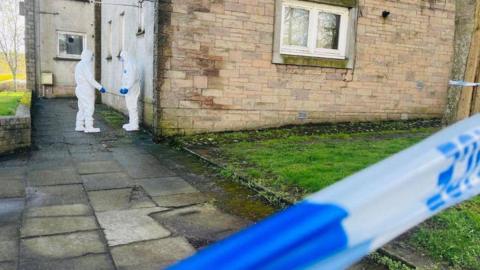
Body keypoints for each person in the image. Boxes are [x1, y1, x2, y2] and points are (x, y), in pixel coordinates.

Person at [74, 49, 106, 133]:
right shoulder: (85, 65)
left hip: (80, 89)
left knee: (82, 108)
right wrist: (100, 87)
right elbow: (90, 79)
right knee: (89, 107)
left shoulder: (79, 64)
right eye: (92, 56)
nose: (92, 58)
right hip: (86, 89)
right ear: (88, 56)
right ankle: (89, 127)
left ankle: (79, 125)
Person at [119, 51, 140, 131]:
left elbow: (132, 79)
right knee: (130, 107)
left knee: (132, 107)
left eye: (122, 58)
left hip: (132, 89)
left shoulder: (130, 65)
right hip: (129, 90)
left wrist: (126, 88)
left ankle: (135, 125)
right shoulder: (127, 64)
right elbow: (125, 78)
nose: (121, 60)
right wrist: (123, 86)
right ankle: (131, 123)